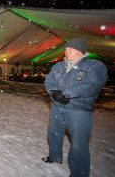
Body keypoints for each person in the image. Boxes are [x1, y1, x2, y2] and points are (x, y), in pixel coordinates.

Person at [43, 38, 108, 177]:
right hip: (57, 106)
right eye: (65, 49)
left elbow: (91, 85)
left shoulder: (94, 66)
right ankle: (54, 158)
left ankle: (79, 173)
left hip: (79, 110)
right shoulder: (59, 66)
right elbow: (49, 80)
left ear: (79, 50)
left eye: (69, 49)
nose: (66, 51)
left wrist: (67, 94)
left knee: (79, 143)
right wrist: (53, 92)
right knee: (54, 134)